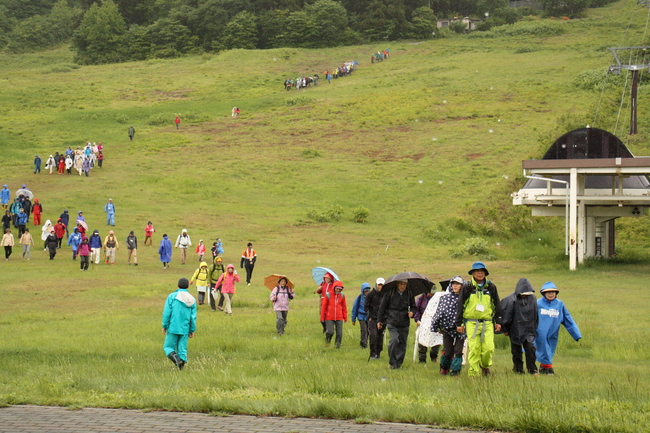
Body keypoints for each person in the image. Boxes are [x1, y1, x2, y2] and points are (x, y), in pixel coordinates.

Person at [455, 261, 503, 377]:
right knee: (474, 349)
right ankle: (473, 374)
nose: (480, 273)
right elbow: (460, 305)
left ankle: (485, 366)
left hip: (487, 322)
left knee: (488, 348)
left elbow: (497, 304)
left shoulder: (491, 287)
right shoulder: (467, 287)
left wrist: (499, 321)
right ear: (473, 273)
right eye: (477, 271)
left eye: (482, 271)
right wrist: (459, 323)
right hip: (471, 323)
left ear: (485, 273)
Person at [535, 282, 581, 375]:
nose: (551, 294)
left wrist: (576, 334)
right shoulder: (538, 303)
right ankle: (548, 369)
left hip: (553, 333)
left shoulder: (559, 304)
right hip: (540, 333)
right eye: (548, 292)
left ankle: (543, 367)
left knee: (550, 350)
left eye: (553, 292)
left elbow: (568, 319)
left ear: (556, 293)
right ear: (543, 293)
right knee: (544, 349)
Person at [501, 278, 539, 375]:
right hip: (515, 330)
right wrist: (505, 329)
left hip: (529, 330)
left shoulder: (533, 298)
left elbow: (535, 314)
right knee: (516, 351)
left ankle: (532, 370)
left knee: (530, 349)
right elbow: (506, 316)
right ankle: (518, 370)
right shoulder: (511, 299)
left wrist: (535, 328)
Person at [377, 280, 416, 369]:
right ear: (397, 284)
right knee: (394, 340)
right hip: (392, 321)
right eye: (401, 284)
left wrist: (412, 313)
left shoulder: (409, 293)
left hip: (404, 322)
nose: (403, 286)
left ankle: (398, 363)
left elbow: (414, 306)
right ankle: (392, 361)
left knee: (402, 343)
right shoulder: (390, 293)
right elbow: (382, 308)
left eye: (405, 284)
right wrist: (379, 321)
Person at [432, 276, 466, 376]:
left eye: (458, 284)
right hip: (447, 328)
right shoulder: (445, 298)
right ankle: (444, 367)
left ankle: (455, 370)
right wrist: (437, 326)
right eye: (453, 284)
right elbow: (439, 313)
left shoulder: (466, 298)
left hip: (461, 328)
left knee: (458, 351)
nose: (455, 286)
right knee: (447, 351)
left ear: (462, 285)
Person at [162, 278, 196, 370]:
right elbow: (193, 317)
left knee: (168, 347)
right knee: (182, 349)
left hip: (173, 326)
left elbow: (167, 313)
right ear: (188, 286)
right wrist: (192, 329)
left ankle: (176, 360)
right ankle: (181, 367)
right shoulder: (192, 299)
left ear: (178, 285)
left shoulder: (172, 297)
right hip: (185, 328)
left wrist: (164, 325)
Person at [414, 287, 441, 364]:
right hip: (423, 323)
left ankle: (434, 357)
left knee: (436, 341)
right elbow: (416, 310)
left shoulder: (439, 299)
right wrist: (417, 320)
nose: (432, 294)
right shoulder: (421, 299)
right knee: (422, 342)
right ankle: (422, 359)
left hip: (435, 323)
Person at [320, 281, 347, 348]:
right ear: (334, 288)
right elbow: (324, 307)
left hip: (339, 317)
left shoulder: (342, 296)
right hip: (329, 317)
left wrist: (345, 317)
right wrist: (322, 317)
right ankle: (327, 341)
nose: (338, 290)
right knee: (330, 331)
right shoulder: (328, 295)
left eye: (340, 289)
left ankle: (337, 346)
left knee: (339, 333)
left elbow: (344, 307)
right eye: (337, 289)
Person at [366, 277, 386, 360]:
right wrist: (369, 316)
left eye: (382, 285)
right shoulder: (371, 294)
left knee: (379, 337)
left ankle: (378, 353)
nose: (380, 286)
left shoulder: (386, 295)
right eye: (379, 285)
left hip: (382, 319)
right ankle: (373, 353)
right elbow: (366, 306)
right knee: (373, 336)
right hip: (373, 319)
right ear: (376, 285)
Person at [351, 283, 371, 349]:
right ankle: (363, 343)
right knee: (364, 330)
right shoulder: (359, 298)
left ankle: (364, 341)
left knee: (368, 330)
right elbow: (354, 309)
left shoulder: (371, 298)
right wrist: (353, 319)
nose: (367, 292)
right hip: (361, 316)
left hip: (368, 316)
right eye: (365, 291)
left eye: (368, 291)